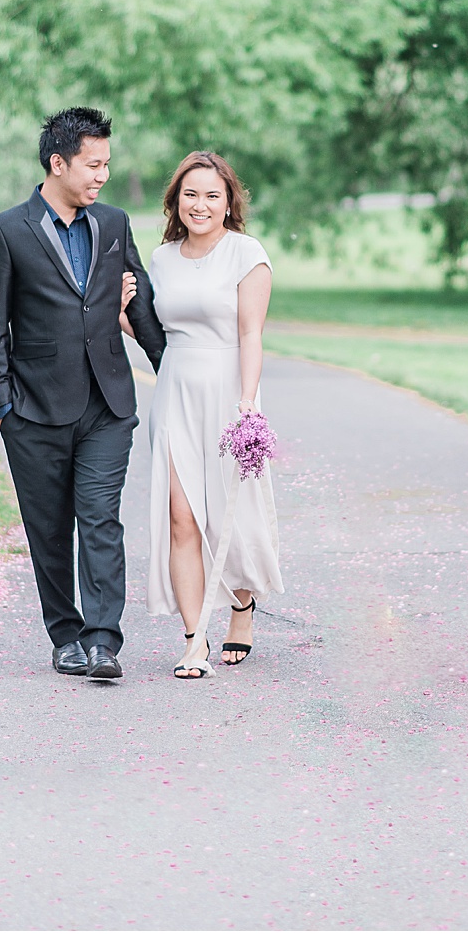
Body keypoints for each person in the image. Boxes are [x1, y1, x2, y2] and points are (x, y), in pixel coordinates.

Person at [0, 107, 164, 679]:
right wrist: (4, 408)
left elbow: (140, 307)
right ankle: (65, 634)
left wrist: (172, 370)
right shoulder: (6, 232)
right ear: (58, 164)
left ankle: (104, 640)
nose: (102, 174)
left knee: (100, 518)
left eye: (107, 162)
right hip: (34, 409)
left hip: (107, 405)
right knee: (50, 528)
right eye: (93, 163)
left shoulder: (113, 223)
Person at [124, 150, 281, 679]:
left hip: (229, 390)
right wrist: (122, 313)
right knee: (182, 517)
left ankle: (242, 607)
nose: (201, 204)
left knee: (228, 514)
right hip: (175, 391)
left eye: (212, 195)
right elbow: (158, 333)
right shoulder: (162, 258)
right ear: (175, 200)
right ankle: (194, 641)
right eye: (190, 194)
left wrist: (247, 403)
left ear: (229, 201)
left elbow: (250, 334)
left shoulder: (246, 254)